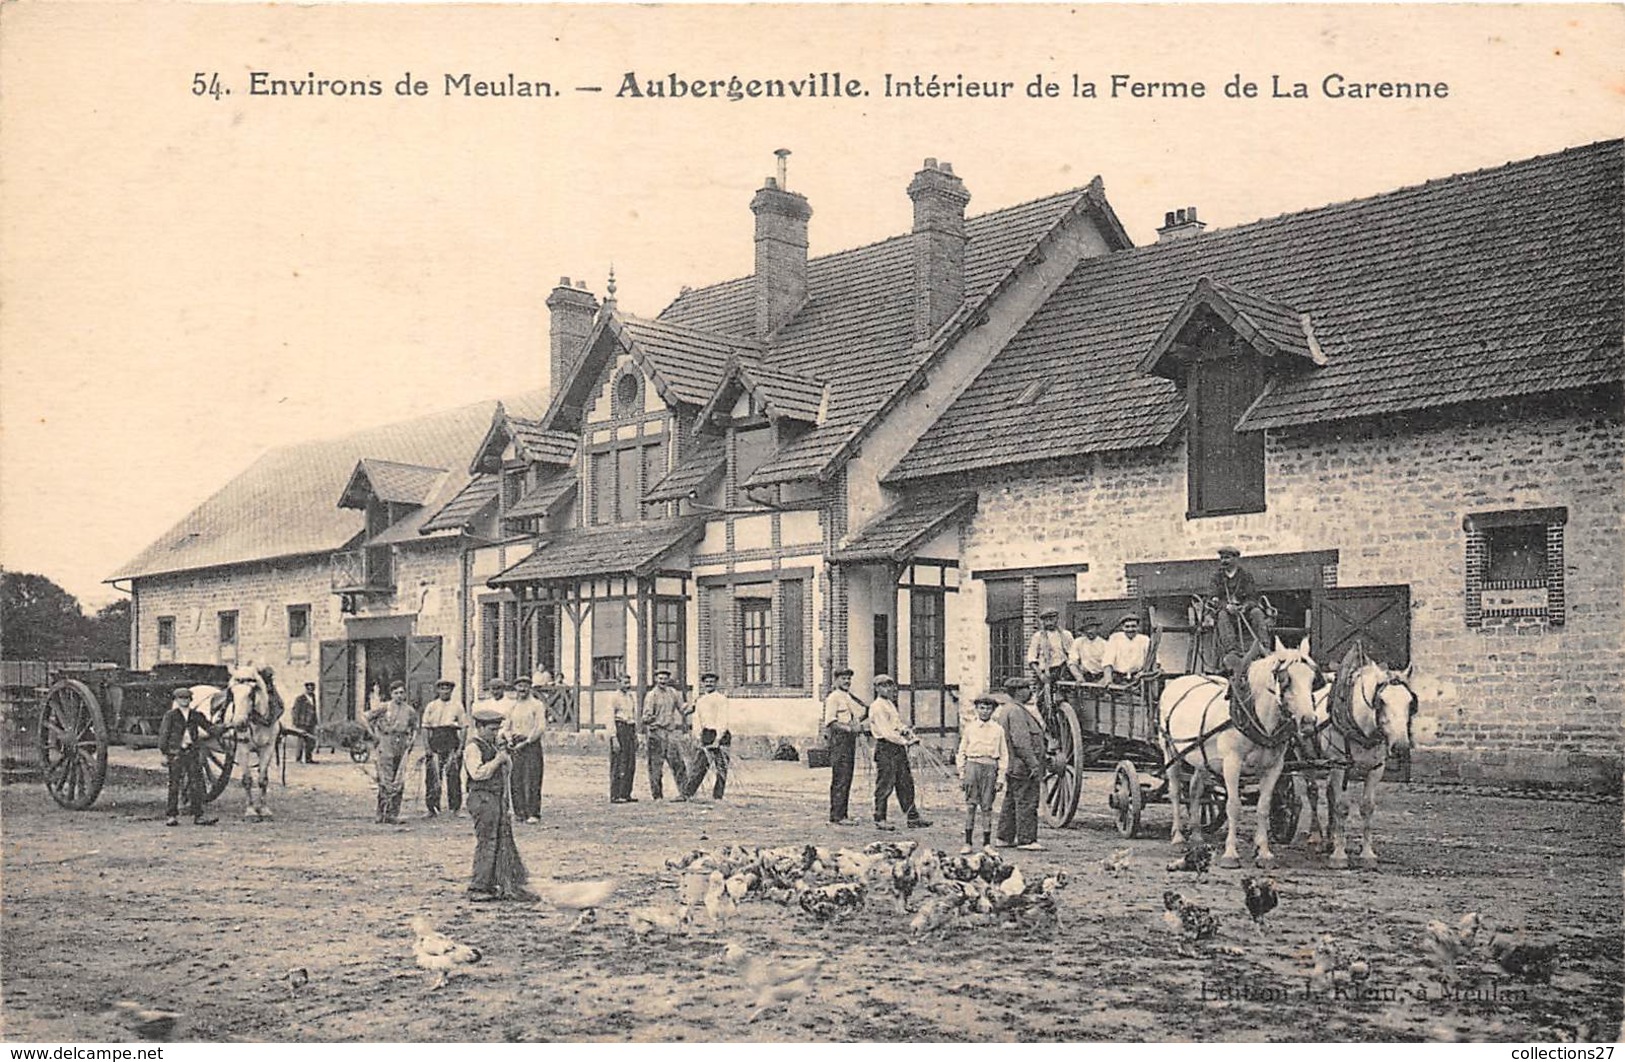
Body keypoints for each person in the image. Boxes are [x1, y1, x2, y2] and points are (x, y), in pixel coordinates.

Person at [463, 706, 534, 903]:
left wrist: (504, 756)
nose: (495, 733)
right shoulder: (473, 747)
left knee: (498, 839)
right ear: (479, 727)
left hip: (495, 797)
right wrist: (497, 760)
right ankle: (478, 886)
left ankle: (493, 882)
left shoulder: (493, 746)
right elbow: (477, 773)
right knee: (488, 841)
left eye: (496, 729)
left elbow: (507, 770)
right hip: (482, 798)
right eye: (491, 730)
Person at [868, 675, 931, 831]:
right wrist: (907, 742)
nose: (888, 689)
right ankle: (880, 818)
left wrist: (906, 732)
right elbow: (887, 732)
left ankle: (912, 817)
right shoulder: (877, 707)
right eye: (883, 686)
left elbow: (896, 724)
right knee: (885, 784)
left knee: (905, 782)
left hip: (897, 749)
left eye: (890, 686)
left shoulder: (889, 704)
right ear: (877, 688)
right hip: (886, 748)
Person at [995, 676, 1046, 851]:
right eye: (1026, 688)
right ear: (1018, 691)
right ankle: (1027, 840)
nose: (1030, 691)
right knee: (1027, 801)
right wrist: (1033, 764)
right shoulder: (1016, 711)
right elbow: (1021, 742)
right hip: (1022, 765)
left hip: (1013, 765)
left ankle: (1004, 837)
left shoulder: (1008, 709)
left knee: (1011, 800)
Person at [157, 687, 219, 827]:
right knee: (174, 784)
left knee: (195, 783)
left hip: (192, 753)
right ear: (176, 700)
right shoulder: (170, 715)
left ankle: (198, 816)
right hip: (176, 753)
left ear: (190, 700)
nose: (184, 701)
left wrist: (227, 726)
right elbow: (164, 735)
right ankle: (171, 816)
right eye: (181, 698)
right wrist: (164, 754)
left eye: (186, 698)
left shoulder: (196, 715)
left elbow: (210, 728)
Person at [957, 694, 1009, 853]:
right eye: (982, 708)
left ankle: (987, 844)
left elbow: (1003, 755)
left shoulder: (998, 730)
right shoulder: (970, 728)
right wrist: (962, 774)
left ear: (993, 710)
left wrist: (1000, 778)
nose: (985, 711)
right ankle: (968, 843)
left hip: (990, 768)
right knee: (971, 806)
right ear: (977, 709)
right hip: (973, 767)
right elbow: (962, 752)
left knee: (987, 808)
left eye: (988, 708)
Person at [364, 680, 419, 825]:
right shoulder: (384, 707)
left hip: (401, 744)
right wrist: (373, 735)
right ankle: (381, 813)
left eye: (401, 692)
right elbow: (365, 718)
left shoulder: (409, 710)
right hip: (386, 742)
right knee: (385, 780)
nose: (399, 696)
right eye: (396, 693)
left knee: (398, 780)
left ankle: (393, 814)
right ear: (391, 694)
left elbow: (414, 727)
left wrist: (411, 741)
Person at [1210, 546, 1270, 675]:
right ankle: (1231, 650)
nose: (1224, 561)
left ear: (1236, 559)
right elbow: (1213, 598)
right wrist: (1226, 606)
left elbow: (1252, 597)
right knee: (1222, 615)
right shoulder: (1217, 577)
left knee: (1257, 613)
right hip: (1226, 612)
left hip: (1244, 612)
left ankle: (1264, 647)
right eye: (1222, 558)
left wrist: (1245, 606)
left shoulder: (1245, 576)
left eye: (1227, 558)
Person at [821, 666, 868, 825]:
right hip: (839, 740)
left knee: (847, 776)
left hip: (849, 740)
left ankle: (843, 814)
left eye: (849, 678)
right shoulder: (833, 697)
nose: (847, 681)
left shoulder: (848, 697)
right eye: (843, 678)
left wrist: (860, 721)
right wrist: (849, 728)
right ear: (835, 680)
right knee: (840, 777)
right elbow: (831, 722)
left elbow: (854, 717)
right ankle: (837, 816)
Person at [502, 674, 546, 824]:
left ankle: (533, 812)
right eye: (520, 686)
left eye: (525, 686)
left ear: (530, 687)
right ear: (515, 688)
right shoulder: (512, 706)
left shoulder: (537, 705)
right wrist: (509, 740)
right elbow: (506, 726)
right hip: (515, 744)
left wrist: (527, 741)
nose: (522, 689)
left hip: (531, 744)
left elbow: (540, 727)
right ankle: (519, 812)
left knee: (532, 778)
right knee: (516, 778)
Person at [681, 673, 732, 800]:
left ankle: (718, 796)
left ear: (716, 683)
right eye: (707, 682)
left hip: (719, 734)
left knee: (721, 768)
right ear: (703, 684)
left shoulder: (721, 699)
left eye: (712, 682)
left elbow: (723, 719)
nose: (709, 684)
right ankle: (687, 794)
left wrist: (718, 739)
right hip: (706, 734)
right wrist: (698, 736)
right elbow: (698, 720)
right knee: (699, 766)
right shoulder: (700, 700)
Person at [640, 668, 689, 800]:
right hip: (656, 733)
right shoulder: (651, 695)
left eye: (665, 679)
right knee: (656, 766)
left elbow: (682, 709)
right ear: (656, 679)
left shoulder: (673, 693)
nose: (663, 681)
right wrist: (650, 720)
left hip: (670, 733)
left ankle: (684, 793)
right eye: (660, 678)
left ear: (669, 680)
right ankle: (657, 796)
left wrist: (692, 706)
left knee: (678, 763)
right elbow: (645, 717)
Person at [421, 678, 467, 818]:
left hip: (451, 739)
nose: (445, 691)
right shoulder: (431, 706)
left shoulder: (457, 706)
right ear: (437, 690)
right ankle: (432, 808)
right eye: (442, 688)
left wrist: (460, 748)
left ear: (452, 691)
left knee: (453, 776)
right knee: (432, 776)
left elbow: (464, 727)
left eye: (448, 688)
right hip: (436, 740)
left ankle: (455, 808)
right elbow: (425, 728)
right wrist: (427, 747)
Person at [607, 672, 639, 804]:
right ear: (618, 683)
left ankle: (626, 793)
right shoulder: (614, 697)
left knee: (630, 762)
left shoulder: (631, 697)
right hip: (619, 729)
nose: (627, 685)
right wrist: (614, 737)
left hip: (630, 729)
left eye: (628, 682)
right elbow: (609, 718)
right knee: (619, 762)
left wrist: (636, 734)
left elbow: (633, 716)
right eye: (624, 682)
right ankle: (616, 794)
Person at [1026, 607, 1074, 695]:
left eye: (1052, 619)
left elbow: (1072, 655)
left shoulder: (1066, 635)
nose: (1049, 622)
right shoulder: (1038, 636)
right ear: (1043, 621)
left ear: (1057, 619)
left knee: (1064, 699)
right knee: (1044, 700)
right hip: (1046, 672)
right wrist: (1040, 675)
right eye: (1046, 619)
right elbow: (1031, 658)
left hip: (1063, 671)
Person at [1102, 614, 1152, 686]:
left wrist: (1144, 672)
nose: (1130, 629)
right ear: (1122, 627)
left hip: (1138, 679)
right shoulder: (1115, 638)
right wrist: (1108, 681)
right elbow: (1108, 661)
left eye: (1133, 626)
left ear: (1138, 627)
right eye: (1127, 626)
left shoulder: (1144, 640)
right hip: (1119, 678)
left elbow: (1151, 660)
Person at [1067, 617, 1107, 684]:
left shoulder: (1104, 644)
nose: (1089, 631)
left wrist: (1104, 680)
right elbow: (1072, 662)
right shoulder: (1078, 642)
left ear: (1097, 629)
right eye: (1087, 629)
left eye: (1092, 628)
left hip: (1100, 677)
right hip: (1085, 677)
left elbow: (1109, 666)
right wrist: (1078, 676)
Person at [289, 681, 319, 763]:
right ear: (306, 689)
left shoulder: (313, 697)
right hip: (302, 723)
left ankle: (308, 758)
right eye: (309, 689)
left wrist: (316, 721)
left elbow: (314, 710)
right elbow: (295, 711)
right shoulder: (300, 699)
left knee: (311, 741)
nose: (311, 691)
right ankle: (298, 759)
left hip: (311, 723)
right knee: (301, 741)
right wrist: (295, 722)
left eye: (312, 689)